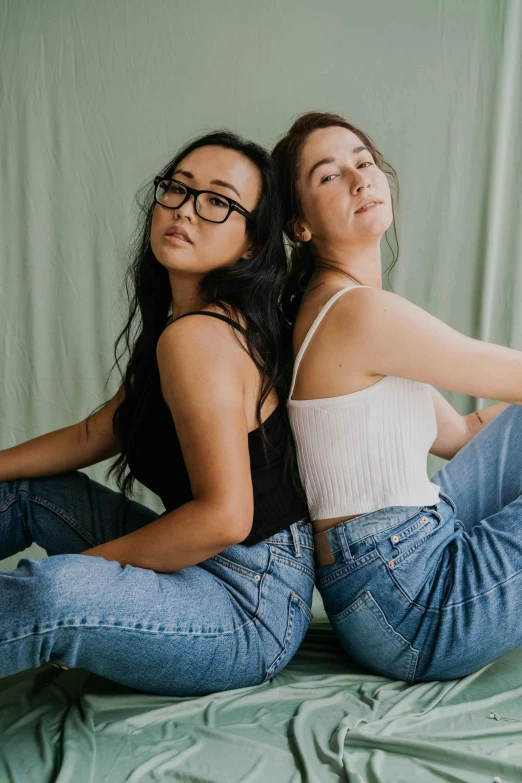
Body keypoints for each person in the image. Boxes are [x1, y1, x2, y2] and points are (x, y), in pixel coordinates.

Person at [0, 130, 314, 696]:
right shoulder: (182, 323)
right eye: (178, 188)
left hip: (250, 608)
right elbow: (100, 430)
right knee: (22, 489)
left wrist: (93, 578)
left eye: (217, 201)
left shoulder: (203, 336)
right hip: (204, 567)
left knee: (52, 592)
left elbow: (226, 519)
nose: (186, 210)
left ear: (249, 244)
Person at [271, 111, 522, 682]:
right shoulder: (357, 313)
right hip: (408, 606)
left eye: (363, 161)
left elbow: (460, 436)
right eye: (328, 176)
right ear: (300, 226)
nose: (360, 178)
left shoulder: (347, 306)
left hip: (405, 552)